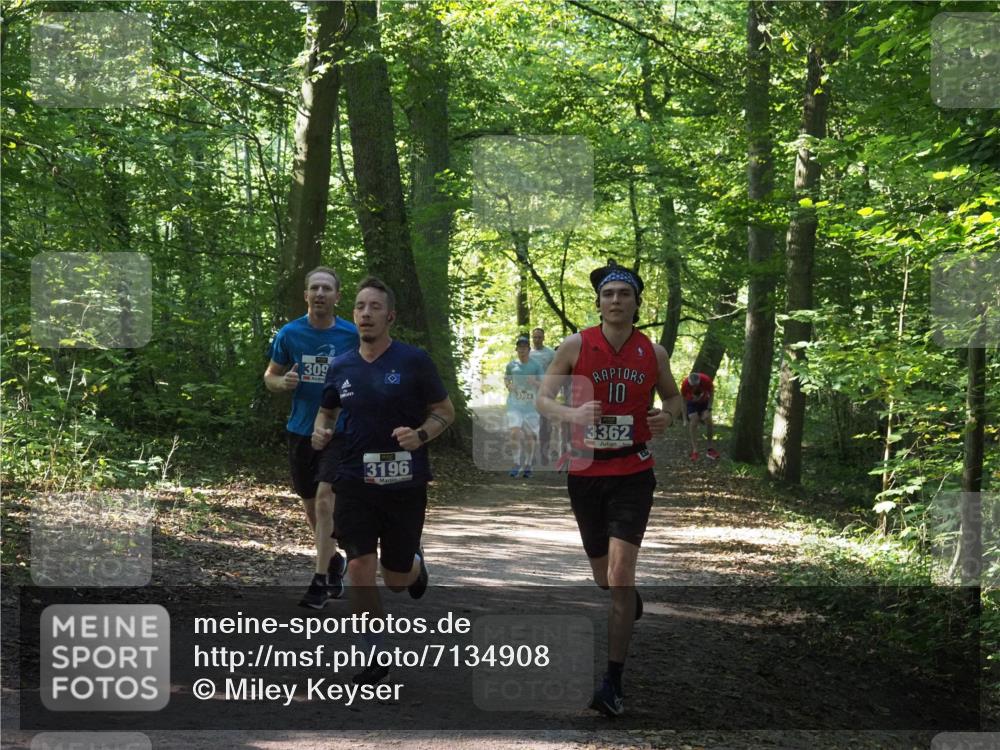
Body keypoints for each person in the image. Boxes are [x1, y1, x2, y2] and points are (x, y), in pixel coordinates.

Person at [536, 260, 683, 718]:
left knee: (620, 577)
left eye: (624, 294)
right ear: (598, 302)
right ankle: (624, 596)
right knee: (604, 577)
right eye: (608, 294)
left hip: (634, 472)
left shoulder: (652, 353)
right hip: (585, 473)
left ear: (637, 303)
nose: (616, 301)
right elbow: (542, 398)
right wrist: (571, 416)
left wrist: (668, 416)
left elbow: (674, 398)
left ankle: (612, 682)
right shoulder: (576, 345)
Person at [312, 276, 454, 685]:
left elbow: (445, 410)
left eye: (374, 307)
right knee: (358, 566)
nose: (365, 314)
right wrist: (321, 431)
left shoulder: (414, 361)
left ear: (389, 316)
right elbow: (327, 412)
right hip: (355, 478)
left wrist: (420, 434)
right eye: (359, 307)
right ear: (352, 315)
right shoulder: (340, 365)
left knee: (394, 580)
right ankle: (372, 654)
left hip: (405, 483)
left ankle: (414, 565)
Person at [264, 266, 359, 609]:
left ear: (336, 296)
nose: (320, 294)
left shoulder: (351, 335)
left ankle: (319, 581)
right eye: (314, 288)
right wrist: (282, 383)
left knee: (324, 499)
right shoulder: (289, 334)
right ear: (306, 295)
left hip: (339, 430)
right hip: (300, 429)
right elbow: (270, 376)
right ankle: (333, 559)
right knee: (310, 505)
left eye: (327, 289)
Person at [505, 334, 544, 478]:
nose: (522, 350)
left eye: (525, 347)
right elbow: (507, 380)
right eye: (519, 347)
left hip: (531, 406)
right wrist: (510, 386)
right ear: (516, 349)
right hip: (514, 404)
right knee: (514, 432)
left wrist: (534, 382)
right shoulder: (511, 365)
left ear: (529, 349)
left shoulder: (536, 365)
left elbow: (544, 384)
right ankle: (516, 463)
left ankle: (528, 464)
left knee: (530, 436)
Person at [529, 327, 556, 464]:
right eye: (535, 337)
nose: (537, 339)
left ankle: (544, 455)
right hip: (530, 395)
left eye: (539, 337)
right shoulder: (528, 354)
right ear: (532, 338)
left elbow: (557, 372)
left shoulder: (551, 354)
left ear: (544, 338)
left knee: (545, 426)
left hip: (546, 394)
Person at [681, 372, 719, 461]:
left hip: (704, 402)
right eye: (692, 386)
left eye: (696, 385)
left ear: (699, 381)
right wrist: (684, 418)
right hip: (692, 403)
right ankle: (695, 450)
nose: (694, 387)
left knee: (708, 420)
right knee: (694, 420)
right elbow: (683, 401)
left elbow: (712, 394)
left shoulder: (706, 380)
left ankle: (710, 449)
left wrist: (709, 409)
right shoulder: (685, 384)